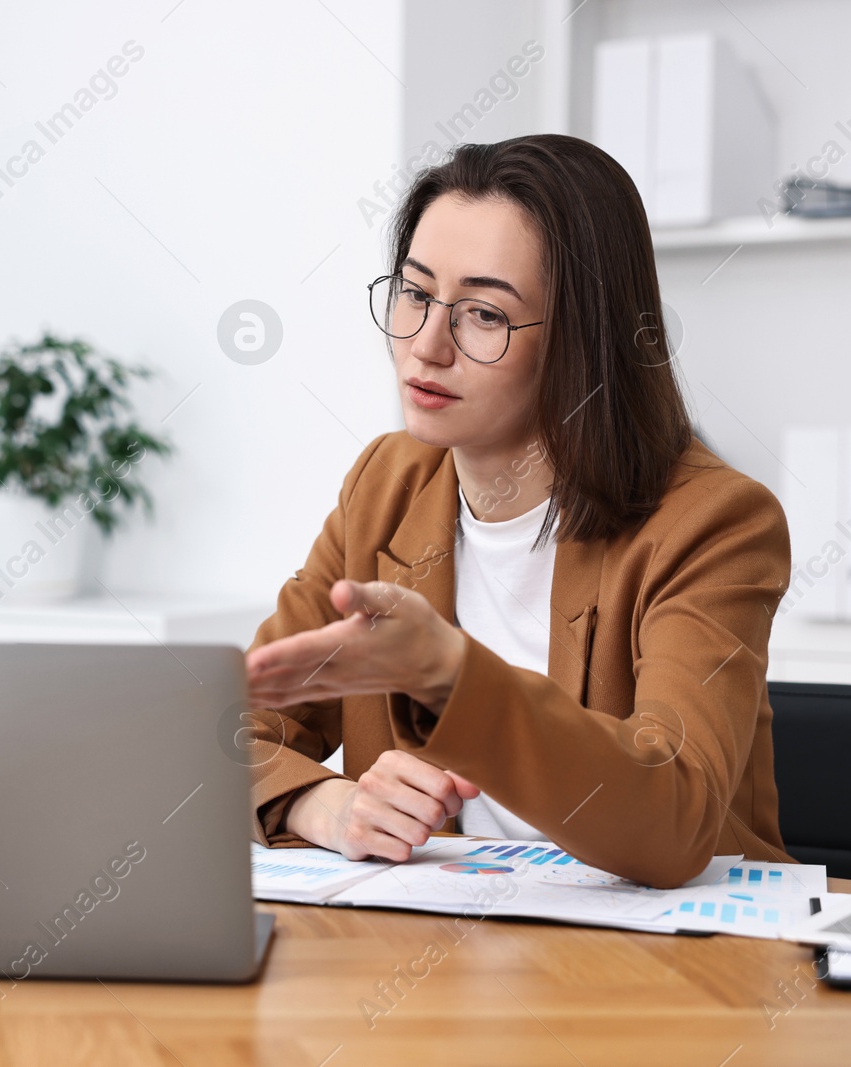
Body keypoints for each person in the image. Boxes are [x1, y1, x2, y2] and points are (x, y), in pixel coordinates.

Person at [243, 134, 791, 891]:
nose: (426, 346)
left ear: (581, 339)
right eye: (415, 293)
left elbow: (675, 819)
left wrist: (454, 677)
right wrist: (318, 801)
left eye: (485, 315)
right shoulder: (385, 483)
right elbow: (225, 729)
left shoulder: (717, 521)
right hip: (434, 958)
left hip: (674, 974)